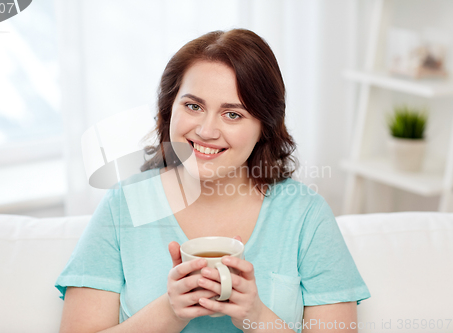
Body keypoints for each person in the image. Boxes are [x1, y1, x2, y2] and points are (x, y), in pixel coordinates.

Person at [55, 29, 370, 333]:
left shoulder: (305, 215)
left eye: (233, 114)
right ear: (169, 110)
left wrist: (256, 317)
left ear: (265, 126)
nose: (206, 131)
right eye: (193, 106)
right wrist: (170, 311)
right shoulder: (123, 205)